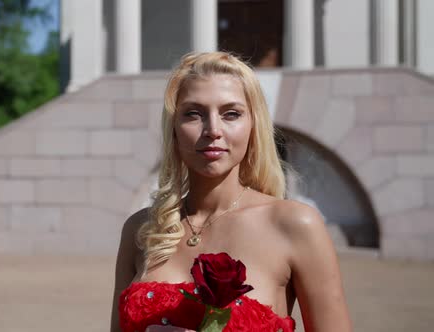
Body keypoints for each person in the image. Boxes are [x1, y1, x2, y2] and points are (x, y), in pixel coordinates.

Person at [110, 52, 351, 332]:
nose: (213, 129)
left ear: (253, 126)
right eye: (193, 113)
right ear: (174, 128)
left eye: (231, 114)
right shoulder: (140, 230)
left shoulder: (295, 224)